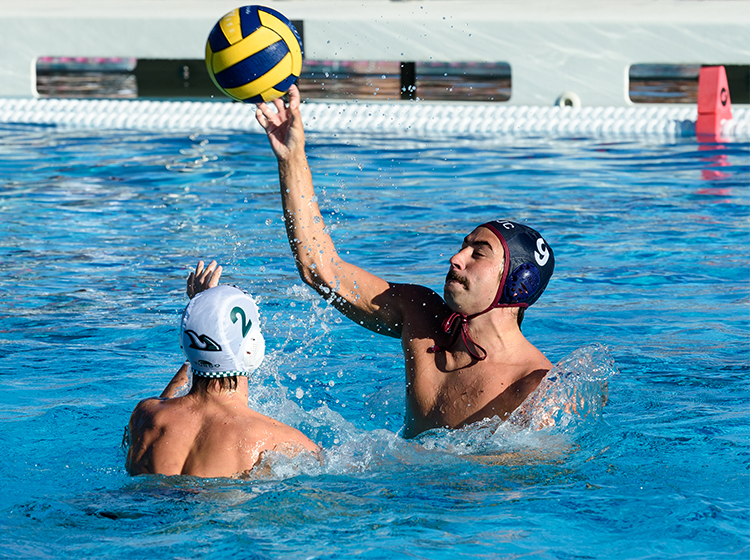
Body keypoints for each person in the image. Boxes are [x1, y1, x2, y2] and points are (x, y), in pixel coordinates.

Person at [255, 86, 556, 438]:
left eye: (478, 253)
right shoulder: (421, 316)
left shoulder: (535, 388)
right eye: (463, 247)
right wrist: (292, 158)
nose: (455, 258)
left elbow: (531, 475)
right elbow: (320, 268)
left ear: (517, 284)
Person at [127, 261, 319, 478]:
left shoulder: (144, 416)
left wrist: (203, 316)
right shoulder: (280, 442)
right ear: (252, 347)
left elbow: (169, 403)